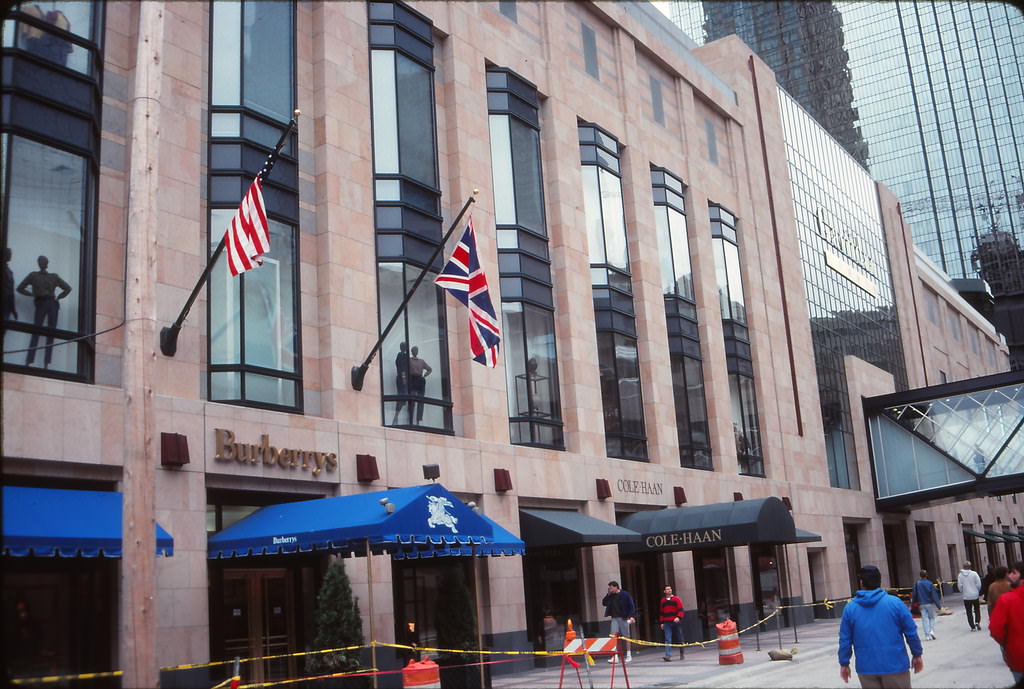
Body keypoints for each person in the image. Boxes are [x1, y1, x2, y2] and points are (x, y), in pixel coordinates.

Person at [838, 565, 923, 688]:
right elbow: (911, 631)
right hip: (895, 665)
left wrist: (844, 663)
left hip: (867, 668)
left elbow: (845, 639)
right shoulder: (895, 603)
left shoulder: (850, 608)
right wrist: (917, 654)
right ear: (879, 581)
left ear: (861, 582)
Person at [16, 255, 72, 367]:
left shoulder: (53, 276)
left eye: (45, 261)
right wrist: (32, 294)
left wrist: (59, 297)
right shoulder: (33, 275)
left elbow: (67, 288)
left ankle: (46, 363)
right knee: (36, 330)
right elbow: (20, 288)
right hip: (41, 303)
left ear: (47, 263)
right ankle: (29, 361)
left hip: (52, 303)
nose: (44, 263)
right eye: (42, 261)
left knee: (50, 333)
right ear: (39, 263)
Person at [989, 561, 1023, 686]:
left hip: (1018, 656)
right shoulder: (1008, 590)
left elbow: (995, 629)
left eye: (1014, 572)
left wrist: (1008, 643)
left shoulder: (1004, 597)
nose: (1010, 575)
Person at [602, 580, 635, 663]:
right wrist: (608, 595)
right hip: (614, 618)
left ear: (616, 587)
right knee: (613, 637)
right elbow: (604, 603)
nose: (610, 590)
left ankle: (628, 654)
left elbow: (631, 606)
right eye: (609, 588)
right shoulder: (610, 596)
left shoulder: (625, 594)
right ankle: (615, 656)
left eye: (611, 588)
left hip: (623, 618)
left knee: (626, 636)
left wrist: (631, 616)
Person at [911, 569, 941, 640]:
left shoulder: (917, 583)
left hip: (921, 604)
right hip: (929, 604)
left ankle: (927, 635)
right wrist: (938, 605)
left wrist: (913, 603)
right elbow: (934, 595)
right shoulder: (930, 583)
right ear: (926, 575)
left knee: (924, 619)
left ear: (920, 576)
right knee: (931, 618)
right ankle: (932, 631)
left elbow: (914, 594)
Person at [658, 584, 684, 661]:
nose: (669, 590)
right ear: (664, 591)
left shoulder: (676, 599)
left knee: (679, 638)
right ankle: (668, 655)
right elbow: (661, 613)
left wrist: (678, 617)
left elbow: (681, 610)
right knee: (667, 638)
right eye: (667, 589)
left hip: (675, 621)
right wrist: (661, 623)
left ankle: (681, 652)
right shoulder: (663, 601)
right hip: (667, 622)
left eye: (670, 589)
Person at [407, 345, 431, 424]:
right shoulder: (409, 360)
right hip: (412, 379)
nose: (415, 352)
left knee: (421, 400)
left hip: (420, 380)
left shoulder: (421, 361)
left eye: (416, 350)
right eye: (414, 350)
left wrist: (425, 375)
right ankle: (410, 419)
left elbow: (429, 369)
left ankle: (418, 420)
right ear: (412, 351)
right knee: (412, 399)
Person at [956, 561, 983, 631]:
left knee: (969, 611)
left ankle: (972, 627)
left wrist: (963, 591)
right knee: (977, 609)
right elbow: (979, 584)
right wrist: (977, 591)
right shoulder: (974, 574)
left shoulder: (960, 575)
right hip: (975, 595)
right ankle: (977, 621)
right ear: (970, 567)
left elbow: (959, 586)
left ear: (963, 567)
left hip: (966, 596)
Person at [392, 341, 410, 424]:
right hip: (402, 378)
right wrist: (404, 379)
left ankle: (396, 416)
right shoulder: (401, 355)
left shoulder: (402, 355)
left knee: (402, 397)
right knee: (403, 396)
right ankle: (396, 416)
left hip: (402, 378)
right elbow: (402, 368)